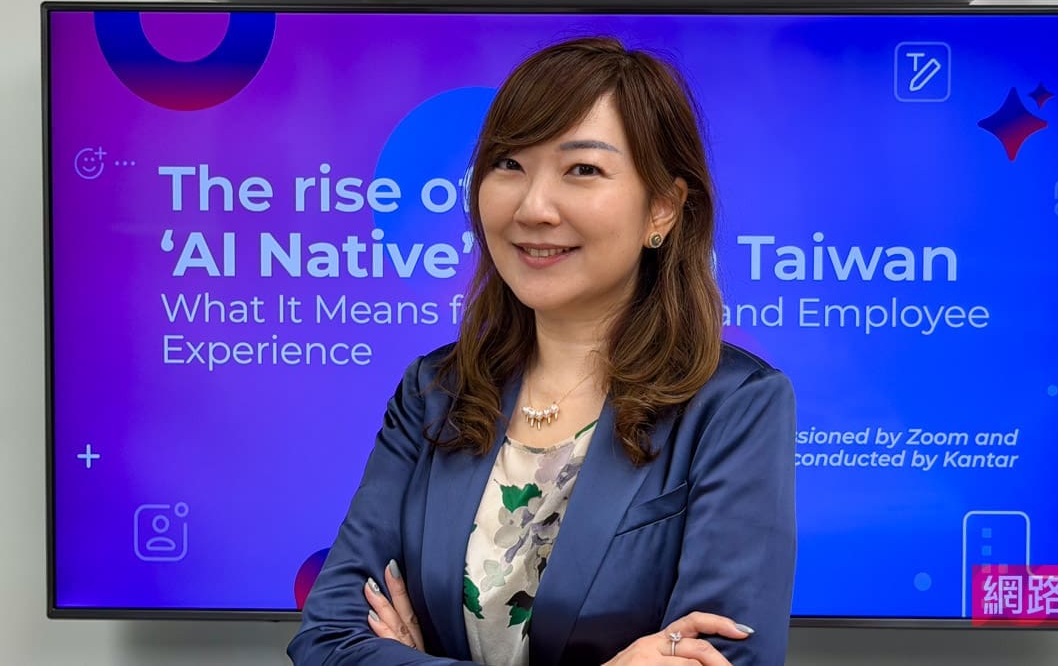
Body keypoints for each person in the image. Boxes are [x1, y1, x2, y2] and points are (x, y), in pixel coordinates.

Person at [288, 36, 796, 666]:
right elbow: (328, 641)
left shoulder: (735, 407)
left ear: (663, 208)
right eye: (509, 164)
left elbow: (724, 658)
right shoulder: (434, 391)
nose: (533, 207)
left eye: (582, 170)